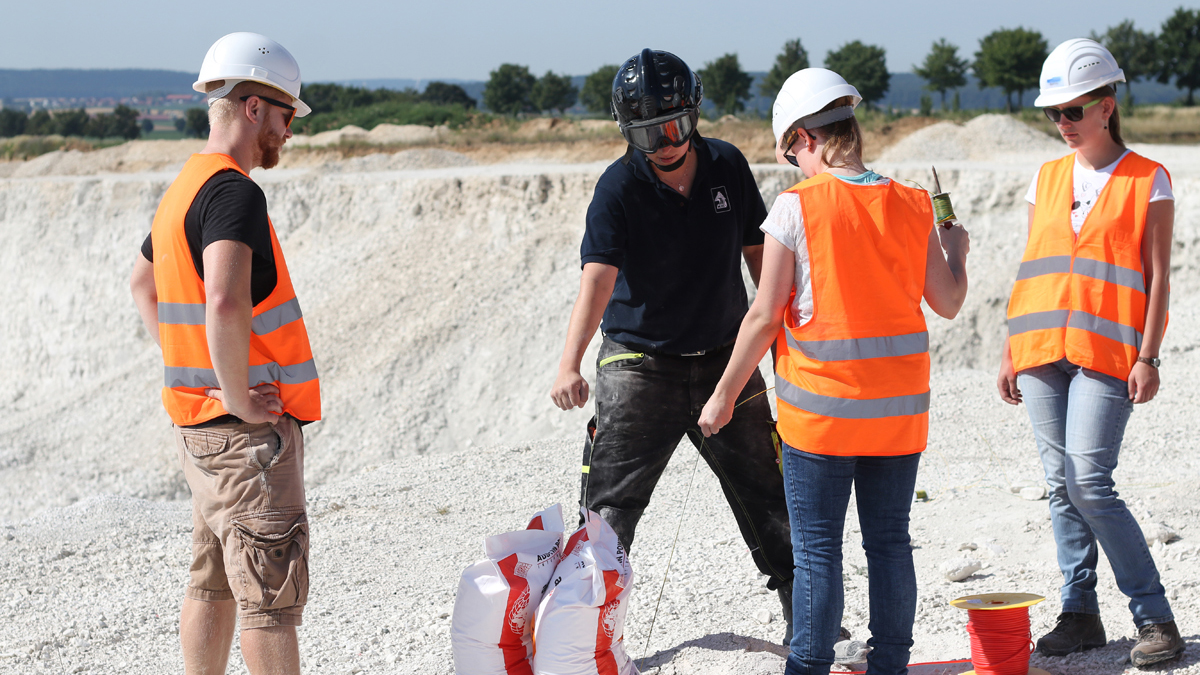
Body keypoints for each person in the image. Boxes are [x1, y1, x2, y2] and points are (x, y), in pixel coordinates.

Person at [698, 68, 970, 675]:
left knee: (818, 553)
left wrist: (721, 399)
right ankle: (891, 665)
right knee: (890, 544)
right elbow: (949, 302)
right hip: (897, 419)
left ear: (805, 138)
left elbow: (765, 315)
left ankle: (808, 668)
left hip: (820, 419)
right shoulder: (911, 203)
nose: (793, 162)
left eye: (790, 150)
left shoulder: (795, 207)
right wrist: (958, 251)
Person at [549, 48, 797, 641]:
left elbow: (764, 261)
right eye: (646, 132)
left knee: (772, 494)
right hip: (640, 363)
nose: (664, 142)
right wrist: (569, 363)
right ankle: (588, 639)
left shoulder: (728, 167)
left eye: (674, 126)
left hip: (725, 362)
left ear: (693, 114)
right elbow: (598, 278)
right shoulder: (618, 188)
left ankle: (807, 623)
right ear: (625, 131)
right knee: (609, 510)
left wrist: (784, 331)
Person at [129, 32, 320, 675]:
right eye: (287, 115)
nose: (289, 130)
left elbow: (141, 284)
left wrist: (203, 377)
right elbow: (226, 302)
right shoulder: (235, 193)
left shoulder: (185, 186)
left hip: (197, 426)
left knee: (212, 577)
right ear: (252, 106)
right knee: (268, 597)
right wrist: (237, 397)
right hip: (244, 438)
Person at [997, 38, 1183, 667]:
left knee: (1089, 482)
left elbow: (1159, 279)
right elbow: (1032, 269)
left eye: (1073, 112)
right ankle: (1079, 615)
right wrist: (1009, 347)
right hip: (1041, 348)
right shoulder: (1046, 176)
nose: (1063, 125)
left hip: (1108, 354)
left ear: (1108, 106)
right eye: (1054, 114)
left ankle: (1156, 617)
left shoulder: (1147, 178)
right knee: (1058, 485)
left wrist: (1149, 355)